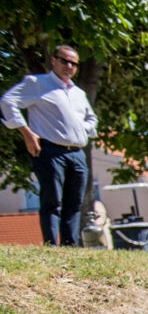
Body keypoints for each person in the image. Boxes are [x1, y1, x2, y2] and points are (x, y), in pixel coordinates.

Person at [1, 44, 97, 246]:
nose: (69, 66)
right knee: (52, 201)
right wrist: (25, 132)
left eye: (74, 63)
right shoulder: (37, 83)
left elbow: (91, 118)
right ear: (53, 60)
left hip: (77, 153)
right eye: (64, 60)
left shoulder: (79, 93)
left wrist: (81, 129)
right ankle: (51, 245)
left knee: (74, 204)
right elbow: (8, 101)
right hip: (50, 150)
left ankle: (70, 246)